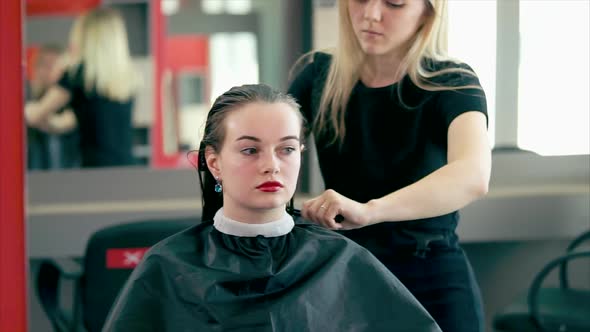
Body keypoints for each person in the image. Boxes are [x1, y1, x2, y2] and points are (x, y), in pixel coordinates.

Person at [102, 84, 442, 332]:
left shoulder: (340, 261)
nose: (272, 166)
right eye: (251, 150)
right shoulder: (168, 266)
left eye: (287, 149)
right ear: (214, 162)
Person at [288, 1, 491, 331]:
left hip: (432, 276)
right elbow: (275, 147)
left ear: (428, 11)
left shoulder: (453, 82)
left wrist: (371, 210)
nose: (370, 14)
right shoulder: (317, 74)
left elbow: (473, 174)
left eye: (394, 3)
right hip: (344, 274)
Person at [25, 7, 139, 168]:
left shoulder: (77, 75)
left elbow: (35, 114)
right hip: (127, 171)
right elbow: (67, 123)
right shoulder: (126, 80)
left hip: (95, 175)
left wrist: (20, 110)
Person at [26, 44, 80, 170]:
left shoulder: (74, 102)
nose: (49, 70)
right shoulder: (25, 96)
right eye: (44, 65)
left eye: (54, 65)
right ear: (35, 68)